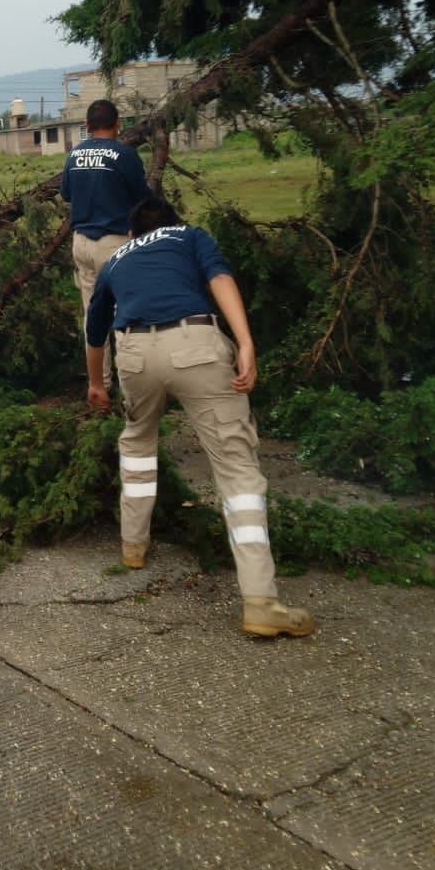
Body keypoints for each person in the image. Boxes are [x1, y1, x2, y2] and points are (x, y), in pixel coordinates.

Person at [85, 197, 313, 638]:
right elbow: (220, 278)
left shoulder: (116, 259)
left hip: (134, 355)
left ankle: (133, 547)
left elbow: (95, 333)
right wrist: (245, 342)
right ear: (173, 222)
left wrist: (97, 383)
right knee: (236, 469)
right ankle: (261, 601)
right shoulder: (191, 235)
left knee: (136, 444)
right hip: (195, 344)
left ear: (132, 234)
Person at [59, 98, 149, 389]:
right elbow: (144, 199)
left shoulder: (74, 156)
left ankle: (99, 386)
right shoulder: (124, 155)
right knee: (124, 317)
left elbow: (67, 195)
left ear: (87, 126)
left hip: (82, 243)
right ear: (118, 124)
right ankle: (131, 391)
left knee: (93, 319)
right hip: (115, 245)